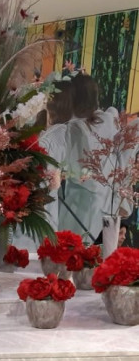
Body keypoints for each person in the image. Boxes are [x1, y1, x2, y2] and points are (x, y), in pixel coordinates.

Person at [58, 74, 122, 239]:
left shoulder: (73, 128)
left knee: (72, 245)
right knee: (99, 249)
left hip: (79, 201)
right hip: (107, 200)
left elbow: (65, 164)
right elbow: (112, 112)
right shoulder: (107, 119)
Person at [39, 80, 74, 230]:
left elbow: (42, 175)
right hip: (48, 203)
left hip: (41, 204)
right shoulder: (63, 133)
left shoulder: (51, 138)